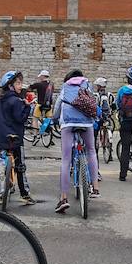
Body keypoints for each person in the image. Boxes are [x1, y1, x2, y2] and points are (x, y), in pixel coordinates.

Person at [52, 69, 100, 213]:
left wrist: (54, 119)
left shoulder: (66, 86)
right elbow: (93, 103)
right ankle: (96, 188)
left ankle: (63, 198)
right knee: (91, 151)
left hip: (68, 123)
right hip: (86, 122)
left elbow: (58, 105)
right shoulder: (87, 85)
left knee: (66, 160)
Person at [0, 71, 36, 206]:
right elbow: (21, 118)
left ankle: (2, 193)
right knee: (20, 166)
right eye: (18, 83)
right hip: (16, 138)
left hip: (2, 138)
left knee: (3, 165)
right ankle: (24, 194)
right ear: (10, 85)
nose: (20, 86)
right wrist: (27, 107)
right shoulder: (17, 101)